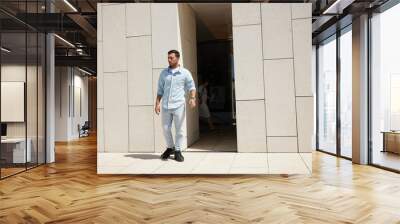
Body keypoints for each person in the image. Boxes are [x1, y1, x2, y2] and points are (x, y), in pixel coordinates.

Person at [154, 50, 196, 162]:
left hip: (179, 105)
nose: (169, 59)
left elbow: (192, 87)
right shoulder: (164, 73)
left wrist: (192, 98)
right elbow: (160, 90)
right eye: (168, 57)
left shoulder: (185, 73)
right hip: (166, 106)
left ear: (177, 58)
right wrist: (157, 103)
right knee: (165, 128)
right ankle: (170, 147)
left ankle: (177, 150)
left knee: (180, 130)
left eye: (171, 58)